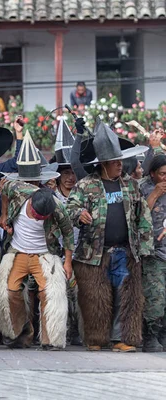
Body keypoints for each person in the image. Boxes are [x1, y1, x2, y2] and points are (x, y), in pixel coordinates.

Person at [68, 119, 151, 352]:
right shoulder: (86, 185)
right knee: (95, 298)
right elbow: (70, 208)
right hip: (94, 253)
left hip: (125, 251)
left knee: (126, 298)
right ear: (103, 164)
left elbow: (142, 215)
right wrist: (79, 214)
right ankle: (96, 338)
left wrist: (144, 248)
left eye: (121, 161)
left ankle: (121, 338)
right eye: (115, 162)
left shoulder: (130, 186)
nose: (120, 165)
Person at [0, 131, 72, 350]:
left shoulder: (57, 206)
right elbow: (4, 187)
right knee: (9, 291)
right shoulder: (17, 188)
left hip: (44, 254)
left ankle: (50, 340)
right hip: (18, 251)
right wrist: (4, 214)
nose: (40, 219)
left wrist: (67, 262)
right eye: (38, 216)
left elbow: (68, 233)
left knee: (49, 293)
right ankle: (21, 332)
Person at [50, 119, 81, 346]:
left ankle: (78, 333)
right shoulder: (50, 197)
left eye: (73, 172)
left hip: (81, 254)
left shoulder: (83, 195)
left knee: (79, 296)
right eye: (65, 172)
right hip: (55, 254)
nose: (70, 177)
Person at [139, 155, 166, 352]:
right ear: (152, 174)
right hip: (153, 253)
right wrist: (155, 194)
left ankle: (163, 334)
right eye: (163, 174)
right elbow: (139, 217)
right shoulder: (144, 188)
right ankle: (150, 335)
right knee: (156, 297)